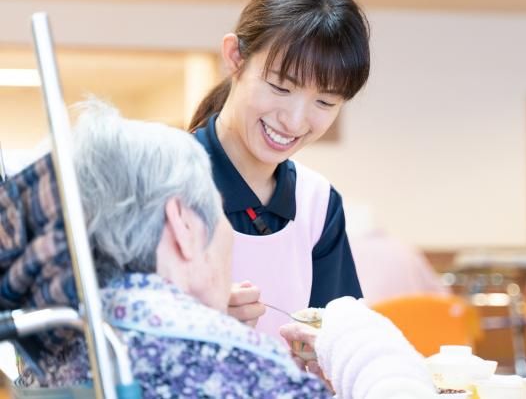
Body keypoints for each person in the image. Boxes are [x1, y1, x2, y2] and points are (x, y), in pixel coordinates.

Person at [4, 100, 434, 398]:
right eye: (218, 210)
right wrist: (365, 345)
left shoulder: (61, 341)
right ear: (183, 224)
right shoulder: (232, 360)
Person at [190, 0, 370, 337]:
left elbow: (340, 337)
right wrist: (195, 318)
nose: (294, 121)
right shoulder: (161, 182)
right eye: (280, 87)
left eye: (324, 101)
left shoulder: (317, 203)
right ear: (235, 57)